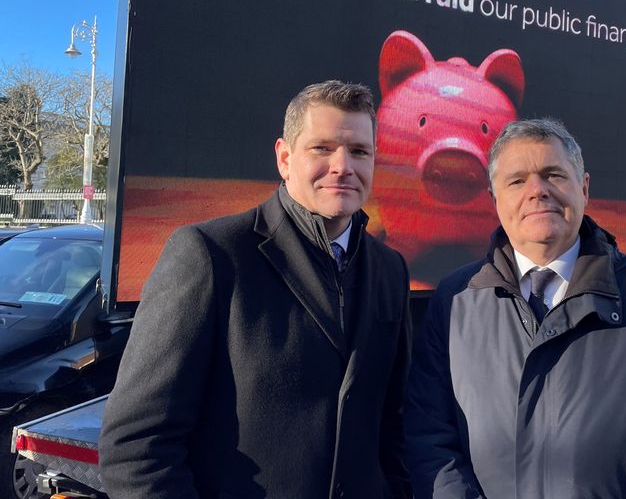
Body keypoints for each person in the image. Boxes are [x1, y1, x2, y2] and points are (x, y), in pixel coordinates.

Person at [100, 81, 411, 499]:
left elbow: (393, 425)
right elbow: (136, 448)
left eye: (359, 151)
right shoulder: (210, 254)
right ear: (285, 157)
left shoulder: (391, 270)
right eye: (322, 148)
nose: (343, 166)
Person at [405, 118, 626, 498]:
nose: (537, 191)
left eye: (553, 175)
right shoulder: (455, 300)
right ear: (494, 199)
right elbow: (429, 438)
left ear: (583, 188)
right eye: (517, 180)